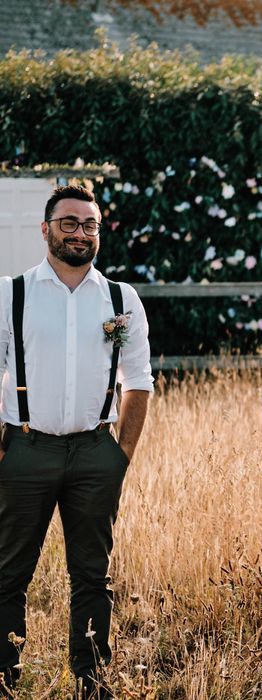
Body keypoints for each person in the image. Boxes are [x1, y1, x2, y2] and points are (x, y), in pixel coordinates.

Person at [0, 185, 153, 699]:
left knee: (93, 578)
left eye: (89, 225)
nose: (80, 233)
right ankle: (5, 680)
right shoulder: (11, 293)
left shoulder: (120, 299)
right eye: (69, 222)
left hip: (95, 452)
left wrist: (120, 455)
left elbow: (140, 380)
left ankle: (91, 684)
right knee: (8, 576)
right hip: (25, 449)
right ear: (45, 229)